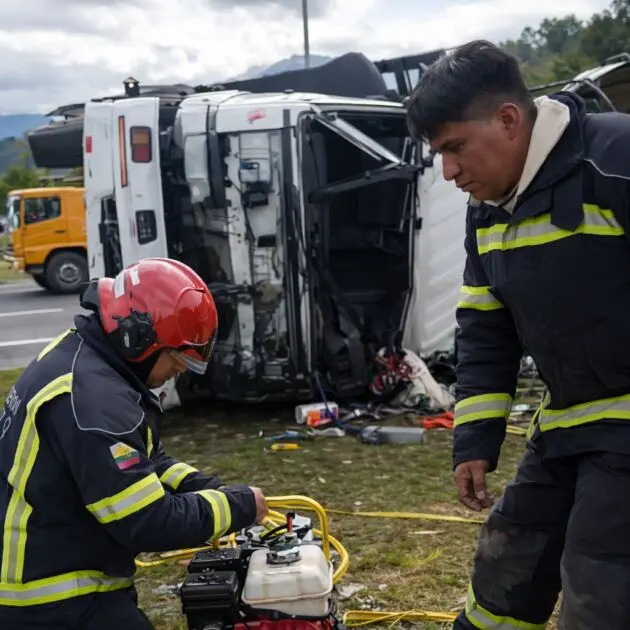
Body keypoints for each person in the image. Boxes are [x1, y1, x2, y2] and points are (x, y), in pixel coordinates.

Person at [406, 39, 630, 630]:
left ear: (508, 120)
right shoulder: (488, 212)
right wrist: (474, 441)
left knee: (601, 582)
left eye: (455, 147)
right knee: (509, 564)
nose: (448, 172)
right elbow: (486, 329)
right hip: (566, 425)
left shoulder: (615, 159)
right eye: (438, 154)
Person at [0, 257, 268, 630]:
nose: (179, 370)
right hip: (49, 599)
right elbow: (148, 521)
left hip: (59, 570)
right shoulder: (96, 402)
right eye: (177, 357)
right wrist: (238, 506)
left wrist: (202, 486)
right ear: (140, 339)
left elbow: (142, 460)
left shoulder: (85, 357)